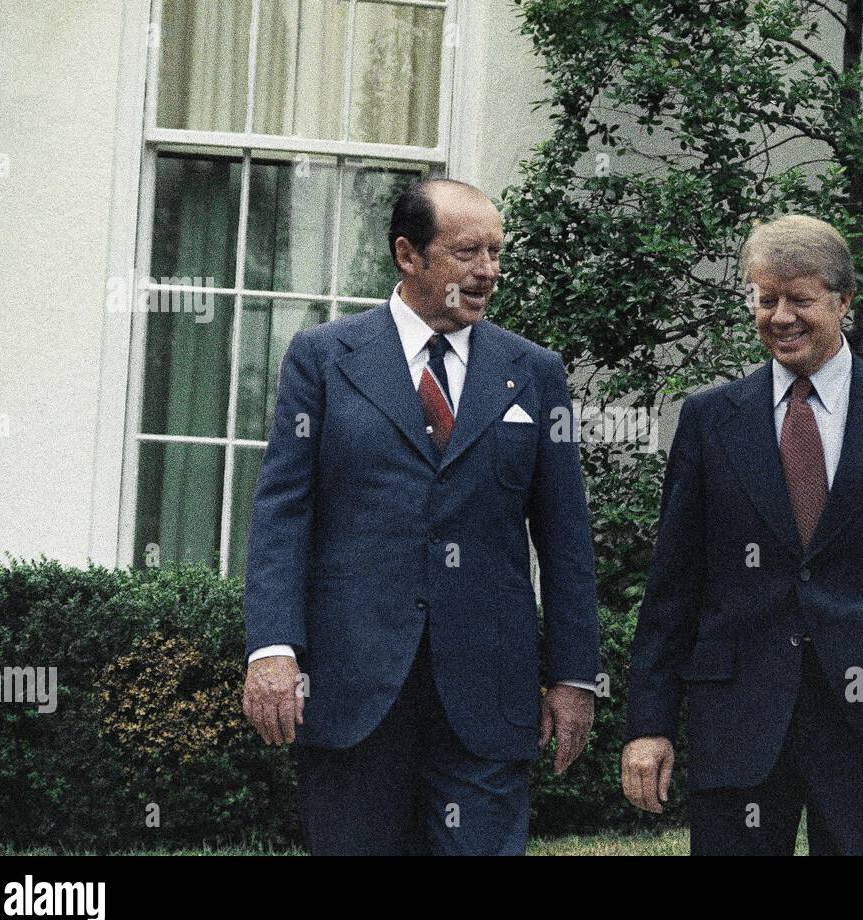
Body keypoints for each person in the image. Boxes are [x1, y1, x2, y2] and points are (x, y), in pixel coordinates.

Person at [242, 178, 601, 854]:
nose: (488, 270)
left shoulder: (533, 371)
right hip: (355, 691)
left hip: (487, 696)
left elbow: (566, 538)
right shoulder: (323, 360)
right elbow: (281, 514)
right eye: (468, 251)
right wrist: (272, 647)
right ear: (408, 254)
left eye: (496, 252)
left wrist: (575, 674)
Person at [621, 214, 863, 854]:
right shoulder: (711, 419)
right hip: (736, 724)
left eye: (800, 299)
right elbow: (673, 587)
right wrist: (649, 724)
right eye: (766, 299)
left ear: (843, 301)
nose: (781, 316)